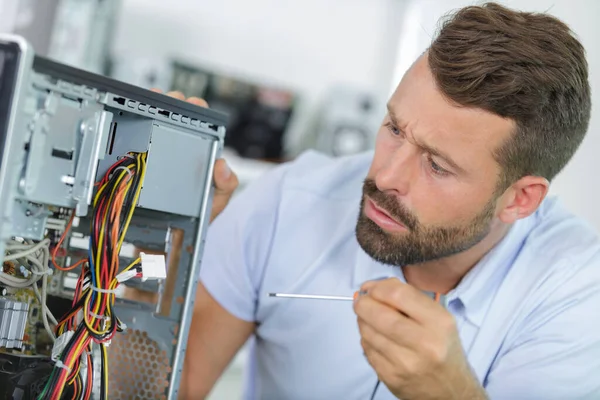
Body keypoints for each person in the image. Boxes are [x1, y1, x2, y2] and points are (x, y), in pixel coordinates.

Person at [172, 2, 600, 399]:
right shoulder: (291, 202)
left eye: (437, 165)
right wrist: (160, 235)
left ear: (521, 199)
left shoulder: (574, 295)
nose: (385, 176)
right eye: (395, 129)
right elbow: (171, 384)